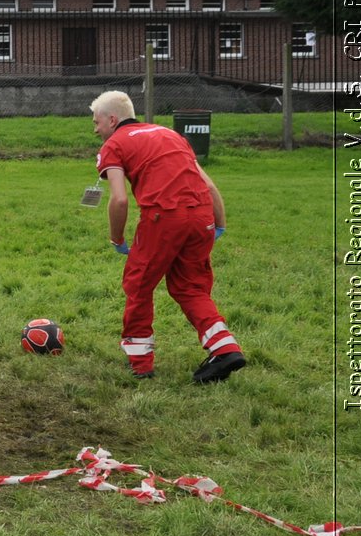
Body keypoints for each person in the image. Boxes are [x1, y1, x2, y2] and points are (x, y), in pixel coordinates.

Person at [90, 90, 245, 383]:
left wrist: (117, 238)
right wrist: (219, 223)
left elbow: (120, 200)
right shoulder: (170, 134)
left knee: (139, 284)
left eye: (97, 122)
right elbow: (208, 184)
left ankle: (140, 363)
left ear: (112, 120)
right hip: (201, 215)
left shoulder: (114, 145)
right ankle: (225, 349)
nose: (95, 129)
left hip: (164, 217)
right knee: (192, 288)